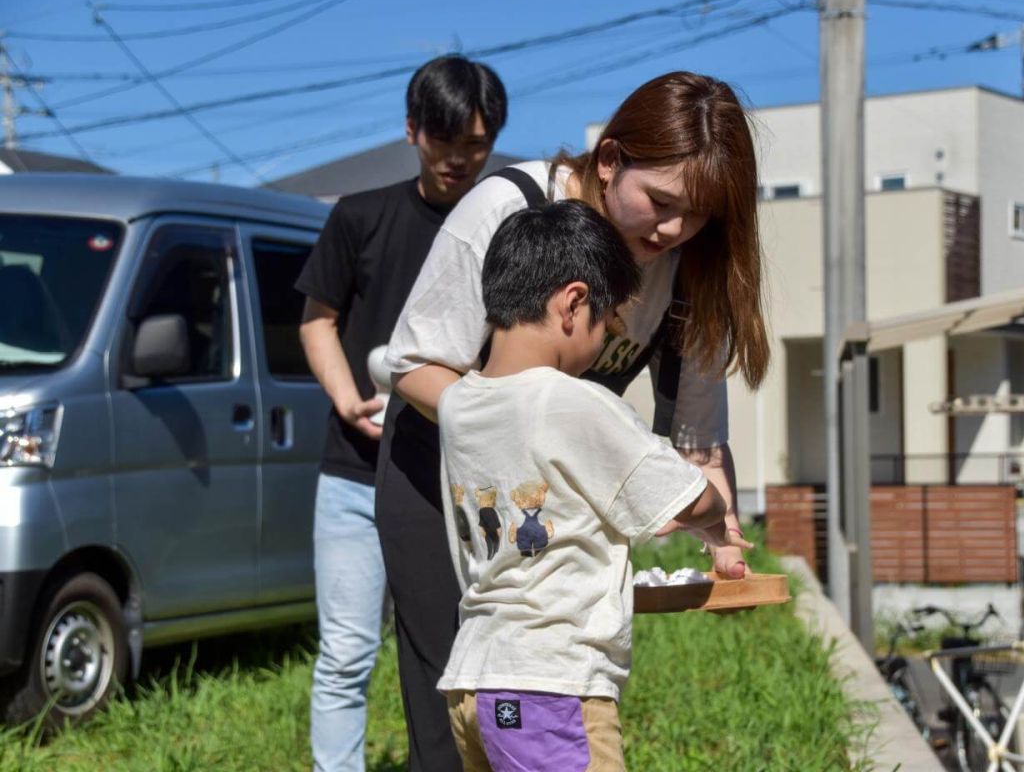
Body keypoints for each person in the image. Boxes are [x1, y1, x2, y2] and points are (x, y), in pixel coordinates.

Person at [376, 70, 768, 770]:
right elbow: (410, 364)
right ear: (610, 160)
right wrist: (519, 415)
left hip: (550, 499)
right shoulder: (509, 209)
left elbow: (699, 439)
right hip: (448, 480)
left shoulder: (688, 263)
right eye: (661, 201)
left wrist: (724, 542)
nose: (675, 228)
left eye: (700, 214)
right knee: (447, 732)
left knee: (530, 700)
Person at [439, 199, 731, 771]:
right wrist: (718, 519)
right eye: (607, 324)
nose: (604, 347)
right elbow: (691, 494)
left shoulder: (457, 404)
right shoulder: (572, 401)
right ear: (573, 303)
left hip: (474, 683)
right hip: (551, 685)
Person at [295, 54, 507, 772]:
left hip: (459, 484)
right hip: (357, 470)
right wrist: (347, 398)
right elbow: (317, 321)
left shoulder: (511, 230)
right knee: (348, 652)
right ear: (412, 130)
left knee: (459, 650)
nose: (458, 160)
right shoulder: (361, 217)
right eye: (444, 141)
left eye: (476, 145)